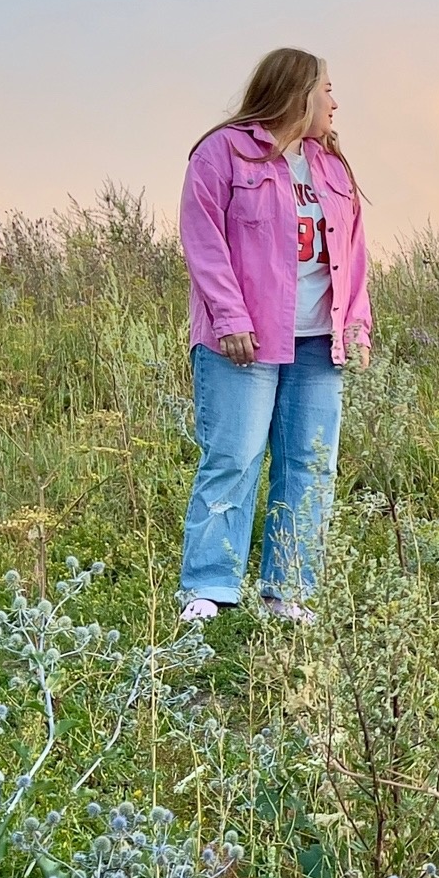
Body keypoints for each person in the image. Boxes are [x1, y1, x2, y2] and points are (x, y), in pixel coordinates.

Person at [177, 48, 372, 623]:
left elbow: (355, 253)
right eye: (327, 90)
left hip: (318, 344)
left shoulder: (331, 166)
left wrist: (355, 324)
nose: (335, 102)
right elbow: (203, 241)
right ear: (298, 93)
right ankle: (209, 589)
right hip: (245, 342)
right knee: (234, 456)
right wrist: (231, 317)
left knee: (310, 465)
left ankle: (288, 592)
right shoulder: (222, 154)